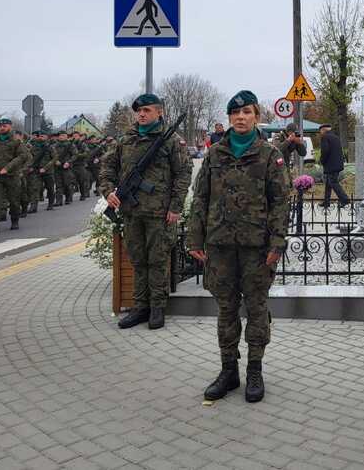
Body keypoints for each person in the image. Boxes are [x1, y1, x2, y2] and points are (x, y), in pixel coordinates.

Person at [187, 90, 291, 403]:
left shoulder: (269, 155)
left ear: (257, 117)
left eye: (247, 112)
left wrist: (277, 242)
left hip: (256, 248)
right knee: (226, 309)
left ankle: (255, 370)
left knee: (257, 308)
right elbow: (201, 197)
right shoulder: (215, 154)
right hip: (220, 246)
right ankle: (228, 370)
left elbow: (281, 202)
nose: (241, 117)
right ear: (229, 118)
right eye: (235, 113)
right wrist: (195, 237)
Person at [99, 94, 191, 330]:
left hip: (160, 213)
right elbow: (107, 167)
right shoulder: (125, 140)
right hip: (131, 211)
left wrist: (175, 207)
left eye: (147, 110)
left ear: (159, 112)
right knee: (138, 260)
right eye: (139, 111)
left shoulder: (171, 141)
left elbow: (183, 175)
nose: (141, 114)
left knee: (157, 261)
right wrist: (108, 191)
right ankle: (140, 307)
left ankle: (157, 308)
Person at [318, 123, 349, 209]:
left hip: (331, 165)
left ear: (323, 130)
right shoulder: (336, 137)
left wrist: (322, 161)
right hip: (337, 164)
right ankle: (326, 202)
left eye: (320, 131)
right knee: (329, 183)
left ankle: (345, 199)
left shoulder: (325, 137)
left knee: (334, 182)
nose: (320, 133)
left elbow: (325, 151)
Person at [27, 131, 57, 212]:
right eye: (40, 136)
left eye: (43, 136)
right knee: (34, 188)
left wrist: (45, 168)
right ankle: (33, 206)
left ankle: (50, 204)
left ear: (47, 137)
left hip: (48, 171)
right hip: (36, 170)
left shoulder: (50, 147)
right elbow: (31, 158)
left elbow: (54, 159)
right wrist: (30, 166)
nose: (41, 138)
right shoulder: (34, 147)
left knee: (50, 188)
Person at [70, 131, 90, 200]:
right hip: (72, 165)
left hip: (80, 165)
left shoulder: (82, 144)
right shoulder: (70, 144)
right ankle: (69, 197)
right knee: (71, 181)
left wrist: (78, 155)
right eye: (73, 136)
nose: (75, 137)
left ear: (79, 137)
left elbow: (87, 153)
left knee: (81, 181)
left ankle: (83, 195)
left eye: (76, 136)